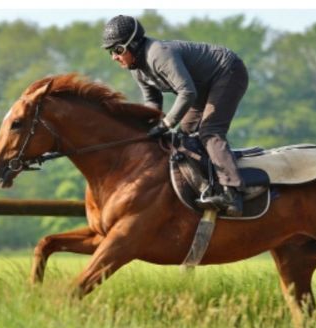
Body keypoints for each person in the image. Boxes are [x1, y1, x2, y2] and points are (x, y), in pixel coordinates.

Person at [102, 15, 248, 217]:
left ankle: (233, 192)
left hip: (228, 72)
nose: (114, 57)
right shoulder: (136, 68)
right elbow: (152, 101)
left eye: (118, 50)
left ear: (133, 44)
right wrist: (146, 128)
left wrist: (166, 123)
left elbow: (187, 93)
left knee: (210, 131)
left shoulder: (158, 56)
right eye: (111, 52)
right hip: (202, 86)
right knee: (183, 136)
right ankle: (208, 185)